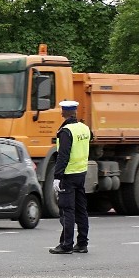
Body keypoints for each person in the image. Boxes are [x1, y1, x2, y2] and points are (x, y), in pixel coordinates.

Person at [49, 100, 93, 254]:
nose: (61, 113)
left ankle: (66, 245)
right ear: (75, 112)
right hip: (81, 173)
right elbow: (90, 139)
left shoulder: (66, 131)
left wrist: (57, 176)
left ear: (65, 113)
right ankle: (82, 243)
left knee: (67, 210)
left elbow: (63, 156)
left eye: (62, 111)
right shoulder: (84, 128)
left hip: (68, 175)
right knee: (81, 210)